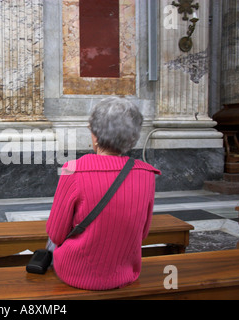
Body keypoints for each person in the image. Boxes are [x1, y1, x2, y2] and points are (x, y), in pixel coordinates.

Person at [46, 97, 161, 291]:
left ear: (96, 136)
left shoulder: (71, 169)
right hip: (125, 273)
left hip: (75, 272)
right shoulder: (147, 173)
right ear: (132, 137)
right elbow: (142, 234)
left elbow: (56, 235)